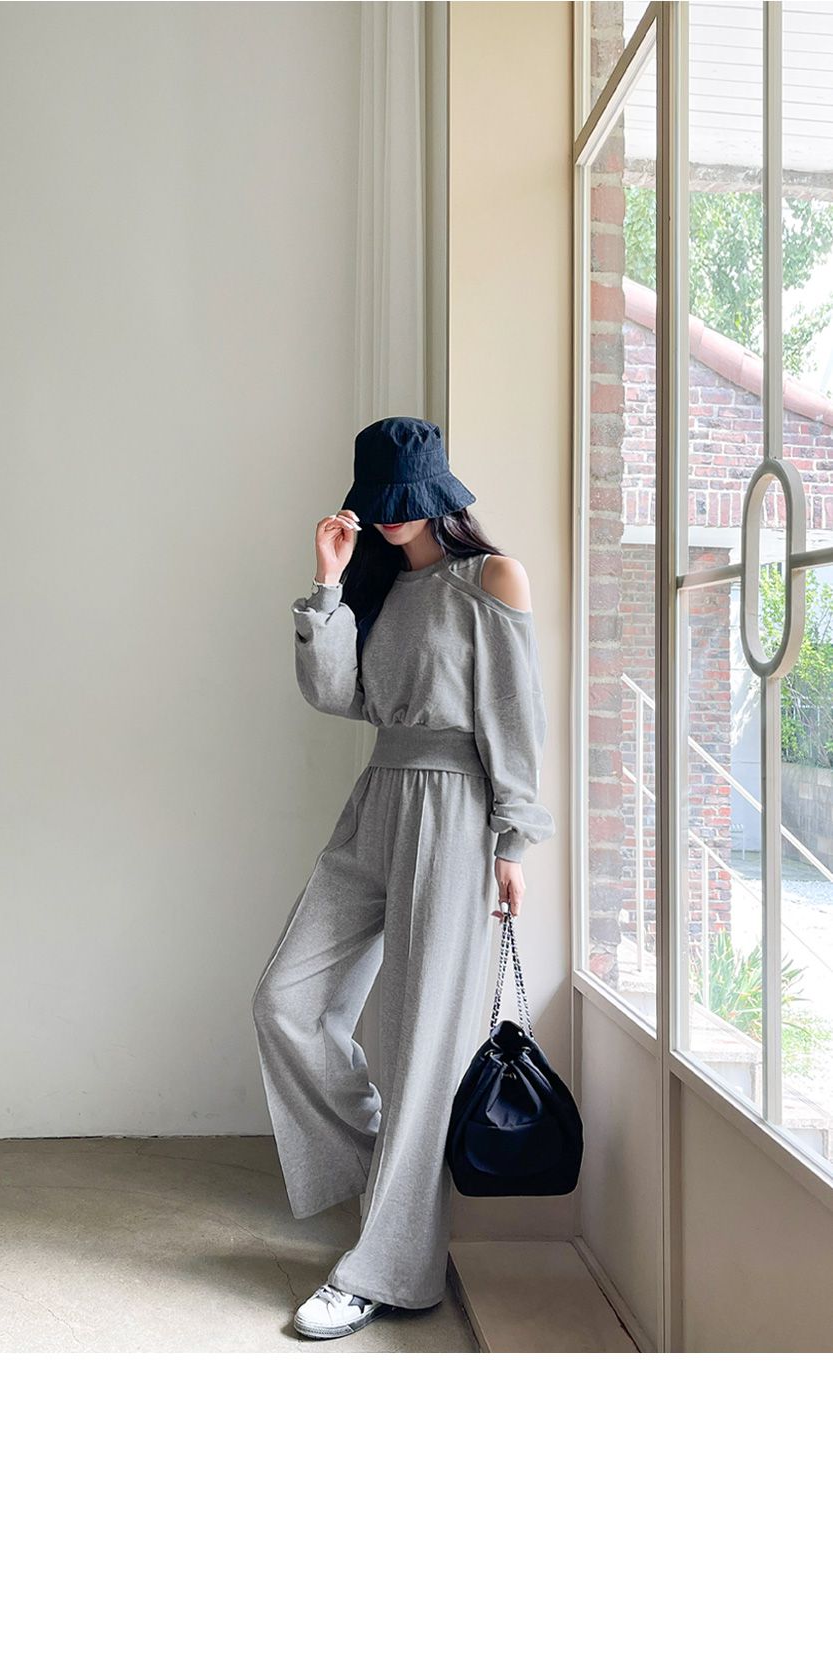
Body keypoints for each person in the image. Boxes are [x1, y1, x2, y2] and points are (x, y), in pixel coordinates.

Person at [251, 417, 556, 1340]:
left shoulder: (491, 578)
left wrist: (513, 841)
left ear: (436, 495)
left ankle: (385, 1271)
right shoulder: (381, 584)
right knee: (286, 1001)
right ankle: (392, 1168)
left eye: (403, 501)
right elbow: (336, 695)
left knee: (423, 1043)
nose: (389, 516)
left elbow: (516, 715)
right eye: (376, 501)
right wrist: (329, 581)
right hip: (379, 796)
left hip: (456, 812)